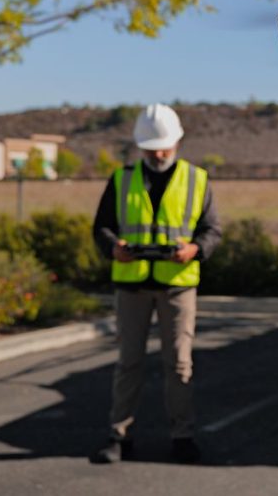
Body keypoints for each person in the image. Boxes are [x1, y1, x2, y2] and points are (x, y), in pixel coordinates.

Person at [90, 103, 222, 464]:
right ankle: (119, 437)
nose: (159, 153)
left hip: (177, 286)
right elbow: (101, 227)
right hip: (132, 286)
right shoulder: (121, 178)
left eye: (164, 146)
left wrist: (195, 249)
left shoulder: (197, 179)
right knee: (128, 363)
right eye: (151, 148)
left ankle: (182, 437)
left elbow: (213, 231)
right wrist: (113, 248)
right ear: (139, 146)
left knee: (178, 364)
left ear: (178, 142)